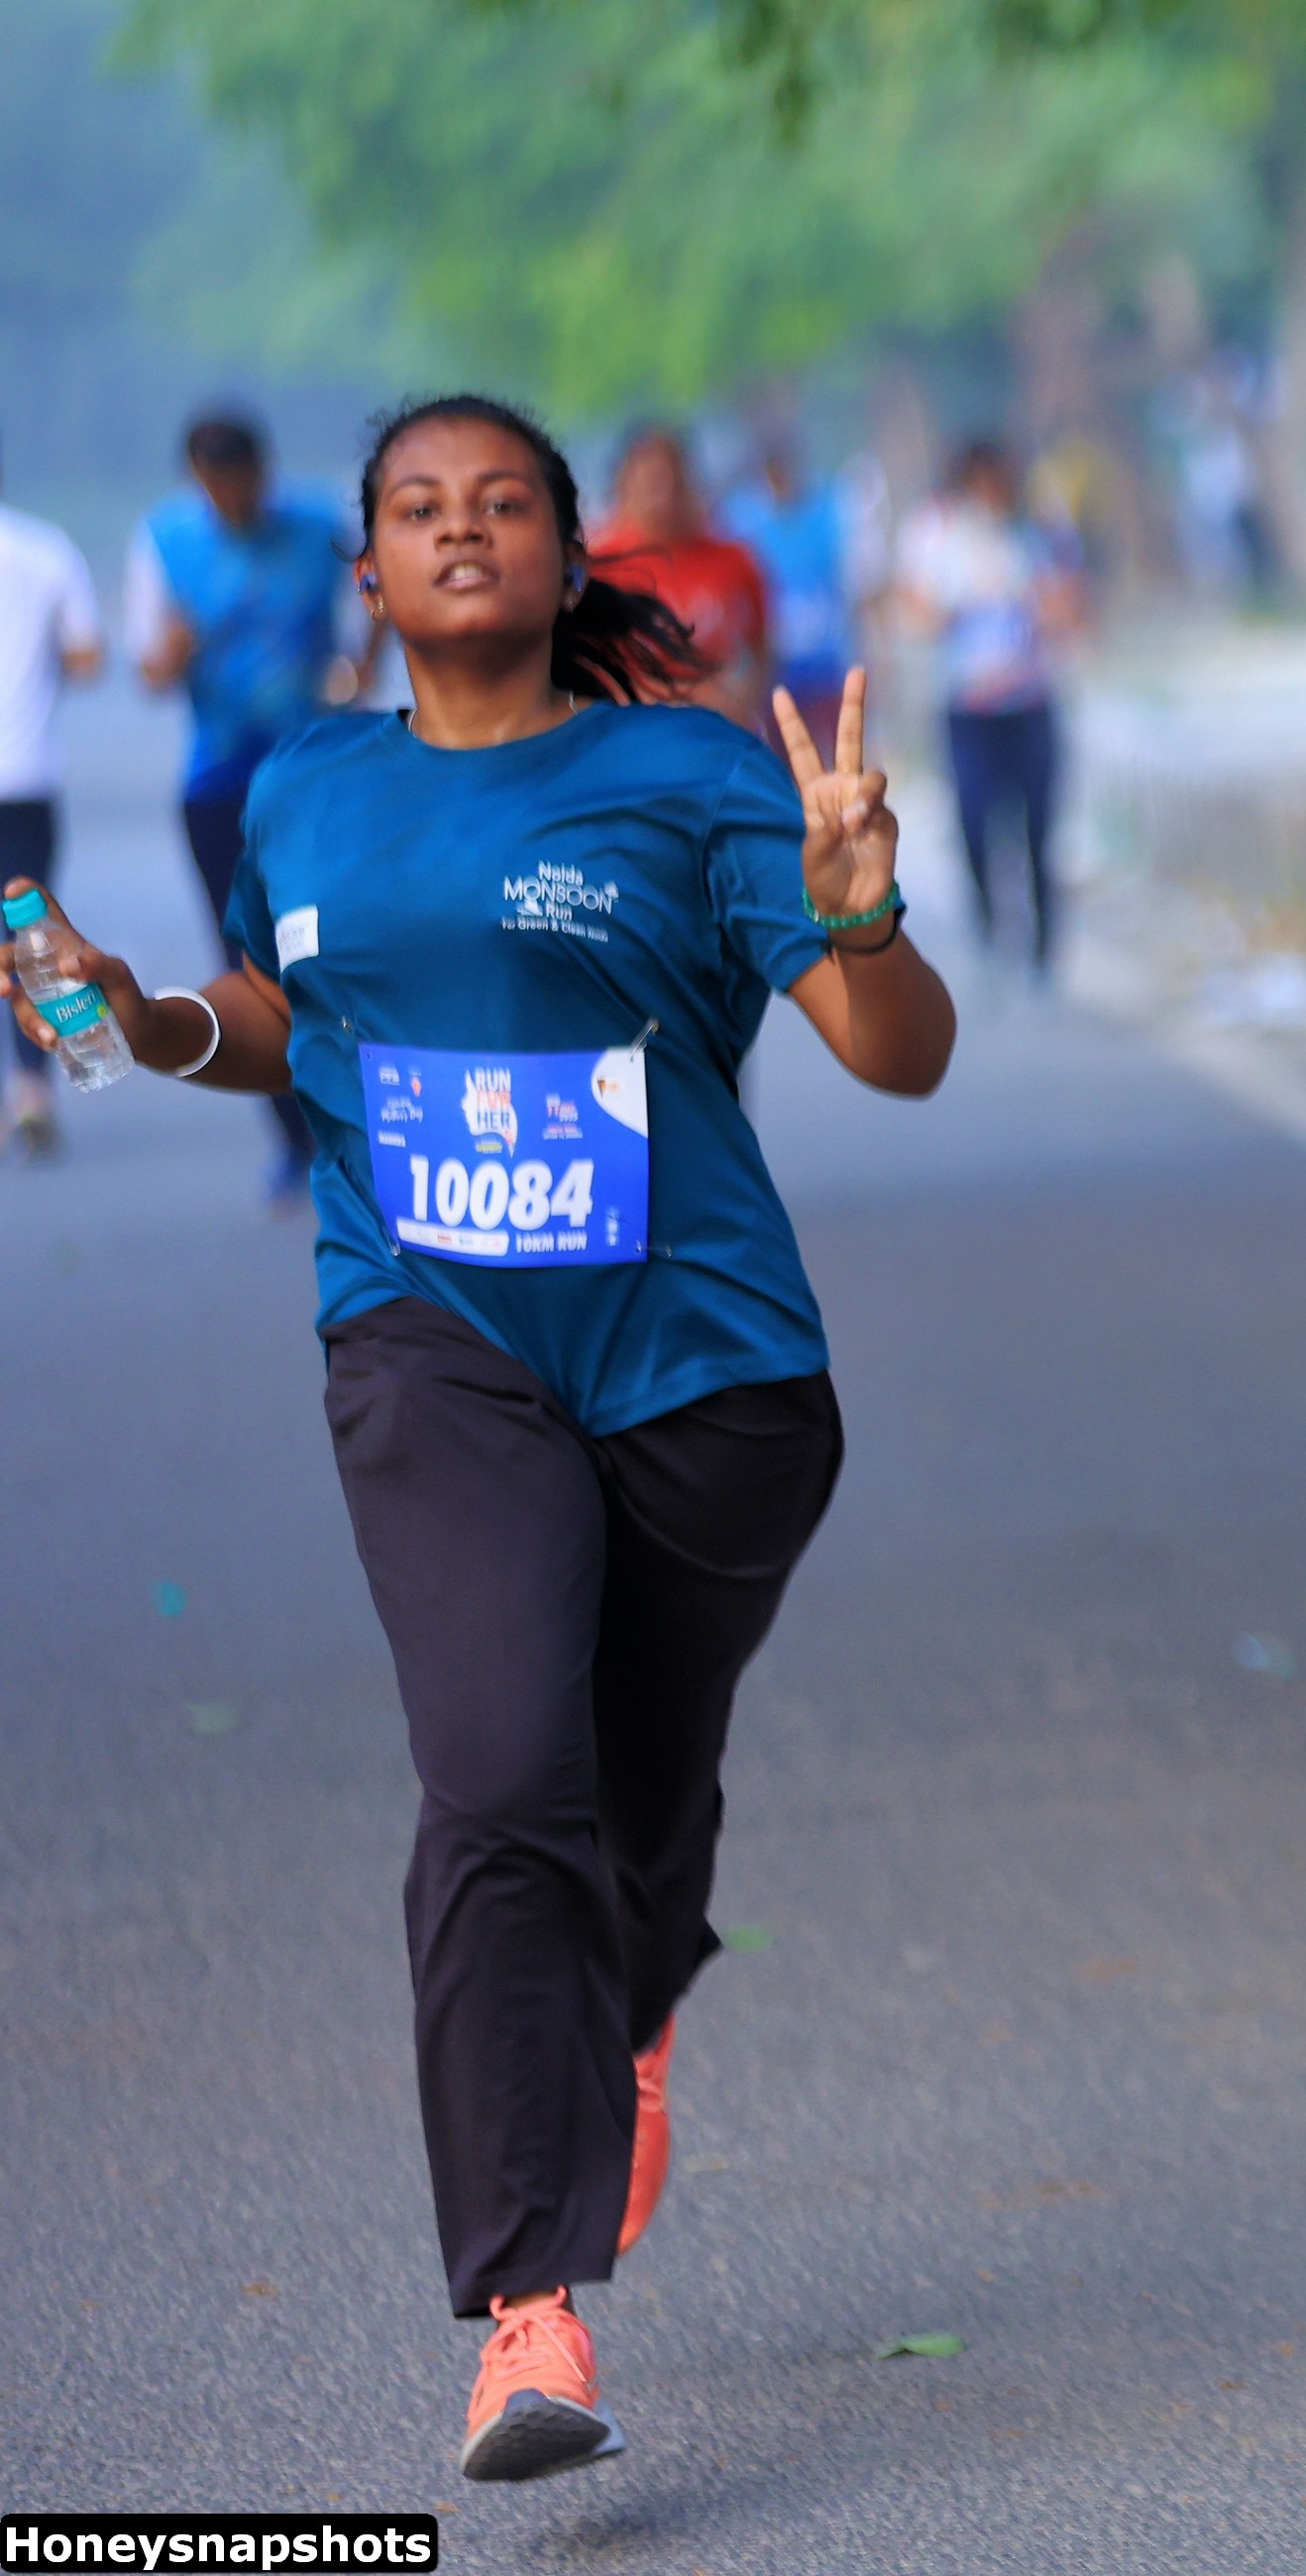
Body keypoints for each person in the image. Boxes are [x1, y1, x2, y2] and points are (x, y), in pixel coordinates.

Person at [11, 392, 954, 2486]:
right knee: (503, 1774)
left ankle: (638, 1990)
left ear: (563, 555)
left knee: (637, 1794)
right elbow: (282, 1014)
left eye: (503, 502)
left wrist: (861, 913)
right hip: (430, 1342)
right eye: (421, 509)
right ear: (368, 568)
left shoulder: (691, 777)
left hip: (706, 1371)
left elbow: (899, 1059)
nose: (462, 530)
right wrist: (141, 1016)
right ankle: (529, 2311)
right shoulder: (306, 785)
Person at [130, 409, 354, 1198]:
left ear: (265, 470)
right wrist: (171, 656)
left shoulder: (320, 526)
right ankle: (294, 1140)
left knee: (334, 947)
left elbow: (379, 601)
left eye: (241, 483)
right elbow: (149, 670)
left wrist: (360, 667)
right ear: (196, 481)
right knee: (248, 960)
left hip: (318, 770)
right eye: (214, 487)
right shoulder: (166, 540)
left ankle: (351, 1121)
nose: (230, 499)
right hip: (220, 781)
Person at [893, 440, 1080, 983]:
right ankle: (989, 932)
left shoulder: (1035, 536)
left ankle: (1043, 950)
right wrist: (959, 599)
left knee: (1038, 831)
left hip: (1029, 706)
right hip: (969, 711)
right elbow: (913, 613)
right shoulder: (937, 537)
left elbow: (1069, 607)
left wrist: (1035, 598)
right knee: (975, 826)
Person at [0, 437, 106, 1160]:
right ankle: (32, 1090)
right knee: (29, 941)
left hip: (27, 774)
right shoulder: (44, 550)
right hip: (24, 774)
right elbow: (87, 656)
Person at [588, 424, 772, 736]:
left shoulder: (733, 559)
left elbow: (762, 644)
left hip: (713, 730)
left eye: (673, 480)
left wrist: (742, 698)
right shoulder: (600, 565)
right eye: (651, 483)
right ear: (624, 486)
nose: (664, 496)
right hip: (632, 732)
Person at [726, 441, 854, 749]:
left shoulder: (825, 514)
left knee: (840, 749)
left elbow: (849, 584)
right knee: (788, 752)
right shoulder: (745, 524)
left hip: (826, 663)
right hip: (778, 669)